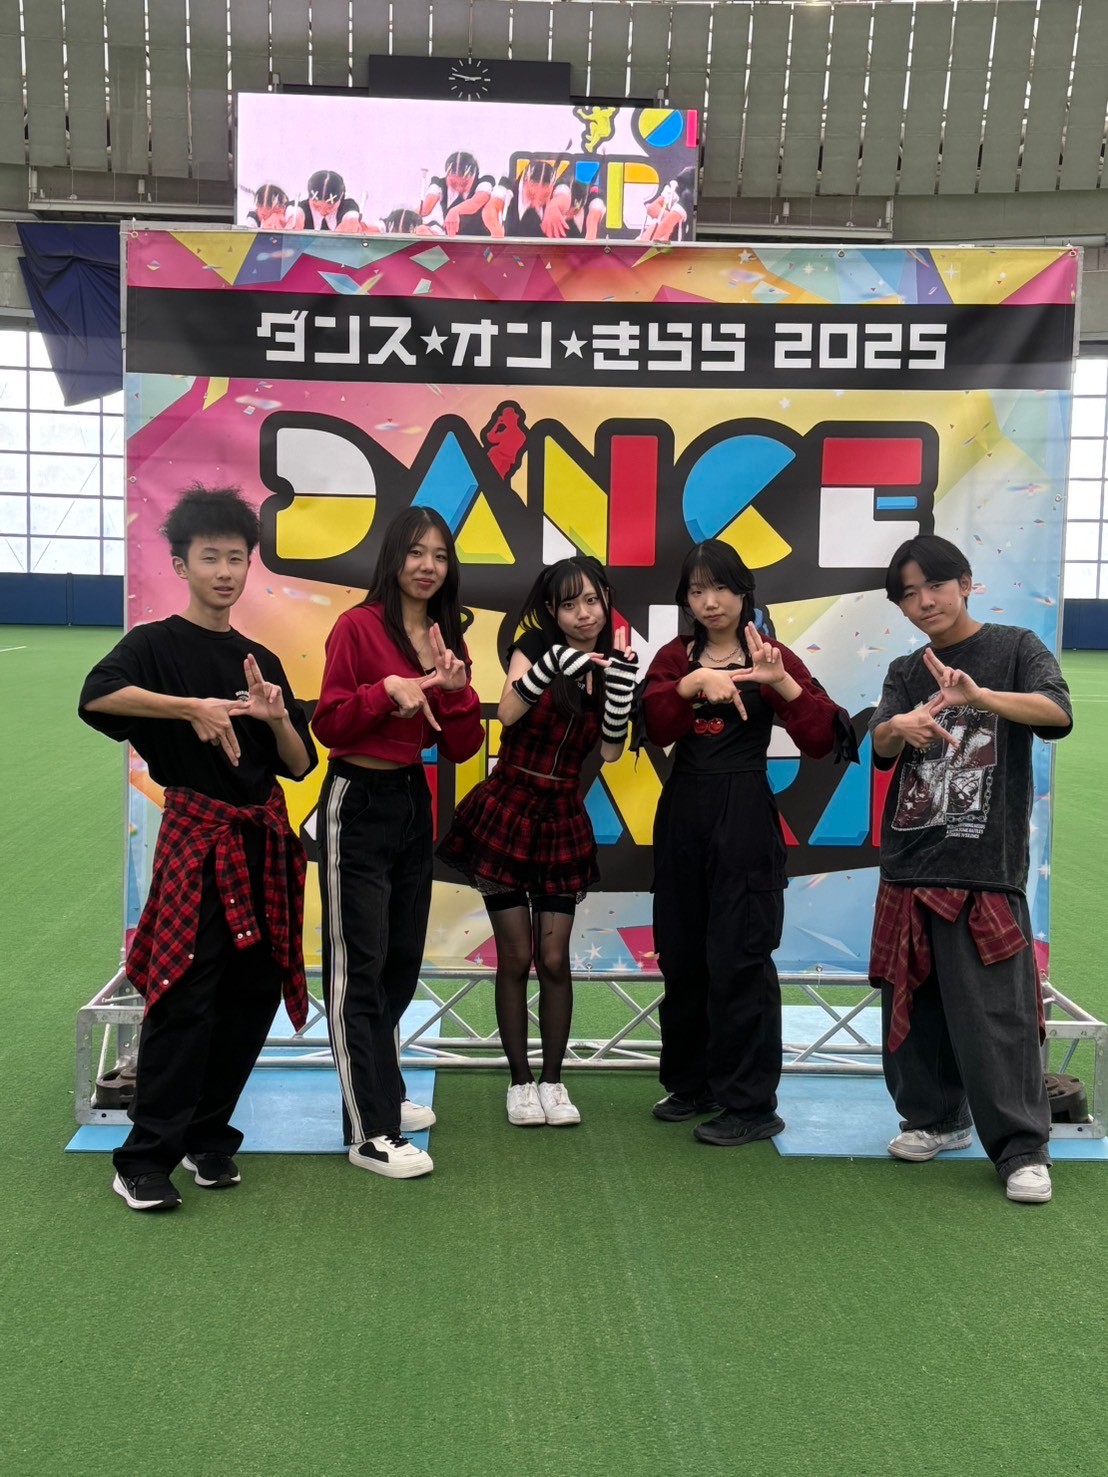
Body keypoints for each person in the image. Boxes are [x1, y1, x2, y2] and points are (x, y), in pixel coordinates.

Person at [79, 486, 316, 1212]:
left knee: (251, 995)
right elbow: (96, 696)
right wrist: (191, 708)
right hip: (197, 841)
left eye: (236, 558)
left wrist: (274, 718)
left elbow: (300, 763)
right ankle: (144, 1156)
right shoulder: (153, 645)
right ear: (181, 565)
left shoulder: (259, 658)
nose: (224, 571)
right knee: (184, 995)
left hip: (260, 841)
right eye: (210, 557)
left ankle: (209, 1134)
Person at [869, 534, 1072, 1204]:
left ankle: (1022, 1149)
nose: (923, 601)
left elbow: (1057, 713)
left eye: (934, 585)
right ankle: (934, 1119)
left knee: (996, 1017)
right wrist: (902, 725)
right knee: (913, 1003)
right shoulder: (906, 668)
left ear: (966, 582)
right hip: (909, 860)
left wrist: (981, 697)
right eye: (908, 594)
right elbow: (881, 742)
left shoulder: (1014, 647)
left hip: (984, 864)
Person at [642, 539, 854, 1147]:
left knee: (740, 955)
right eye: (697, 591)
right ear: (686, 600)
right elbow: (654, 725)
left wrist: (781, 682)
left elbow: (822, 737)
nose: (709, 602)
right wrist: (692, 683)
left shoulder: (770, 653)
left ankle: (752, 1104)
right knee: (682, 953)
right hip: (684, 810)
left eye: (721, 588)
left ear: (743, 592)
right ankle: (693, 1084)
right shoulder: (674, 656)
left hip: (744, 812)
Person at [312, 507, 483, 1179]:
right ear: (393, 558)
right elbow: (330, 724)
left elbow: (462, 745)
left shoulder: (445, 638)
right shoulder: (356, 627)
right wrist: (385, 692)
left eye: (439, 555)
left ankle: (380, 1088)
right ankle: (369, 1130)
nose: (427, 566)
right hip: (357, 799)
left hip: (413, 799)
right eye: (416, 552)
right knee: (358, 966)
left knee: (400, 962)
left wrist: (457, 690)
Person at [438, 558, 638, 1127]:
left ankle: (554, 1081)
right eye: (570, 604)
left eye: (592, 601)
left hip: (561, 819)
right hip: (507, 810)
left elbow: (611, 752)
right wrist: (553, 664)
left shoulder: (614, 662)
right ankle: (519, 1083)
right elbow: (507, 712)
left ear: (606, 601)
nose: (584, 614)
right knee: (517, 955)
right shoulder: (532, 647)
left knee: (553, 958)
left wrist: (618, 693)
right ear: (552, 610)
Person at [420, 151, 495, 237]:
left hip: (480, 240)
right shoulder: (439, 184)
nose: (459, 188)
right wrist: (415, 219)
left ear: (474, 175)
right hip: (452, 238)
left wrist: (455, 210)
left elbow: (476, 202)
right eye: (453, 184)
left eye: (464, 184)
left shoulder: (484, 183)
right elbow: (424, 210)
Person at [288, 170, 363, 232]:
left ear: (341, 196)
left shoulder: (347, 207)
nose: (322, 212)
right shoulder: (303, 208)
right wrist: (294, 217)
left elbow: (350, 212)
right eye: (316, 206)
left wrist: (352, 219)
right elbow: (294, 208)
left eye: (329, 207)